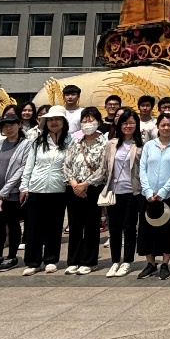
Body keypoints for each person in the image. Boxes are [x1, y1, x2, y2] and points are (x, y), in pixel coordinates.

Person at [21, 106, 70, 275]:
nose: (53, 122)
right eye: (50, 120)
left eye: (57, 119)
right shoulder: (38, 141)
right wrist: (24, 186)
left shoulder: (70, 141)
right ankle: (33, 262)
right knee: (33, 227)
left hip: (58, 189)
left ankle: (51, 259)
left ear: (64, 122)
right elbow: (29, 165)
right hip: (36, 188)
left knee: (54, 227)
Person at [137, 112, 170, 280]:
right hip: (148, 195)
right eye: (163, 125)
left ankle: (165, 264)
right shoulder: (149, 145)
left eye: (169, 125)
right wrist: (147, 191)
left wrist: (164, 191)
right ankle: (150, 263)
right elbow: (142, 168)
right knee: (147, 230)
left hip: (169, 195)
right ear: (157, 126)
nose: (166, 128)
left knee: (168, 230)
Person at [0, 115, 31, 273]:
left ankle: (12, 256)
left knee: (12, 223)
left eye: (12, 125)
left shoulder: (26, 145)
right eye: (5, 126)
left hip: (12, 193)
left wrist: (6, 190)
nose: (8, 128)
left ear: (19, 125)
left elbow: (22, 168)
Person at [63, 107, 107, 275]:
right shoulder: (75, 141)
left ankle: (89, 261)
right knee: (75, 226)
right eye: (84, 120)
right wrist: (74, 183)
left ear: (98, 122)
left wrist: (85, 184)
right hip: (73, 189)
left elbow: (103, 168)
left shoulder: (104, 143)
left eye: (91, 120)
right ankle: (73, 260)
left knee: (91, 225)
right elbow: (67, 164)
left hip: (93, 189)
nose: (87, 123)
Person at [101, 110, 143, 277]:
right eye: (125, 123)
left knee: (129, 227)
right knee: (114, 228)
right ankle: (115, 261)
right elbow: (104, 167)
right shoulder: (111, 144)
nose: (128, 126)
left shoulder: (141, 145)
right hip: (114, 192)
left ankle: (127, 261)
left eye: (131, 123)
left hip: (132, 192)